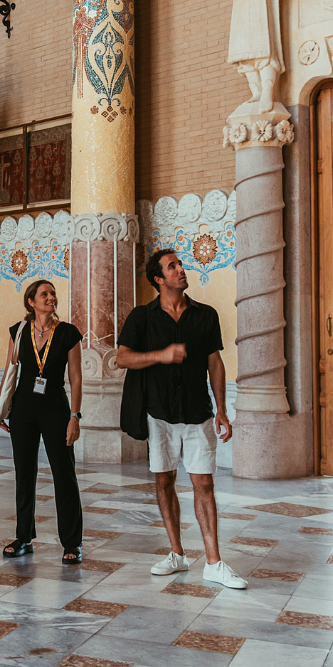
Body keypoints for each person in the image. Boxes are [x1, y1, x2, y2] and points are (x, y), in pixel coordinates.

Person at [116, 249, 248, 590]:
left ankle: (214, 562)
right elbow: (122, 358)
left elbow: (214, 362)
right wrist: (161, 355)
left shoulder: (205, 315)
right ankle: (177, 553)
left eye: (180, 265)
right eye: (172, 267)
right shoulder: (142, 318)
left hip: (197, 412)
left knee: (204, 483)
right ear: (159, 279)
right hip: (157, 413)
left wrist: (221, 408)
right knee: (164, 481)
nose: (180, 270)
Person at [0, 279, 85, 564]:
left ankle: (72, 542)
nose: (51, 297)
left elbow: (76, 378)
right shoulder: (19, 331)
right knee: (24, 473)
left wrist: (75, 416)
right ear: (31, 302)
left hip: (56, 409)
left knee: (64, 474)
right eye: (44, 294)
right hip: (23, 408)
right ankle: (23, 537)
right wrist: (1, 410)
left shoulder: (68, 333)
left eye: (53, 293)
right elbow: (9, 370)